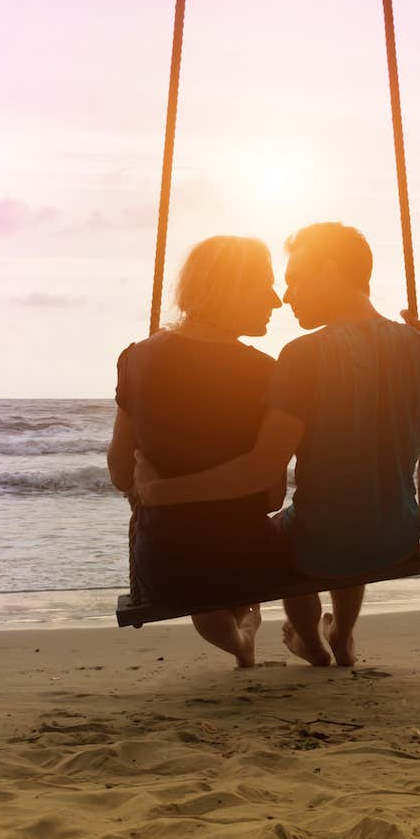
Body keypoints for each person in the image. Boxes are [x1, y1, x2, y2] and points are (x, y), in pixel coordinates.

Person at [135, 222, 420, 667]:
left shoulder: (302, 356)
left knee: (295, 533)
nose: (287, 296)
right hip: (397, 538)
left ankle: (310, 641)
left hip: (318, 547)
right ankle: (343, 634)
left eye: (295, 280)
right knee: (350, 521)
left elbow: (262, 468)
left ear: (329, 270)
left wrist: (162, 492)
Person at [107, 235, 291, 668]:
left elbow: (119, 473)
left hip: (166, 570)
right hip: (249, 561)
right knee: (252, 559)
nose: (277, 300)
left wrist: (162, 489)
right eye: (264, 285)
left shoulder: (135, 359)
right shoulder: (268, 373)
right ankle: (247, 636)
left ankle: (241, 645)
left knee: (199, 581)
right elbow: (272, 497)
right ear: (228, 290)